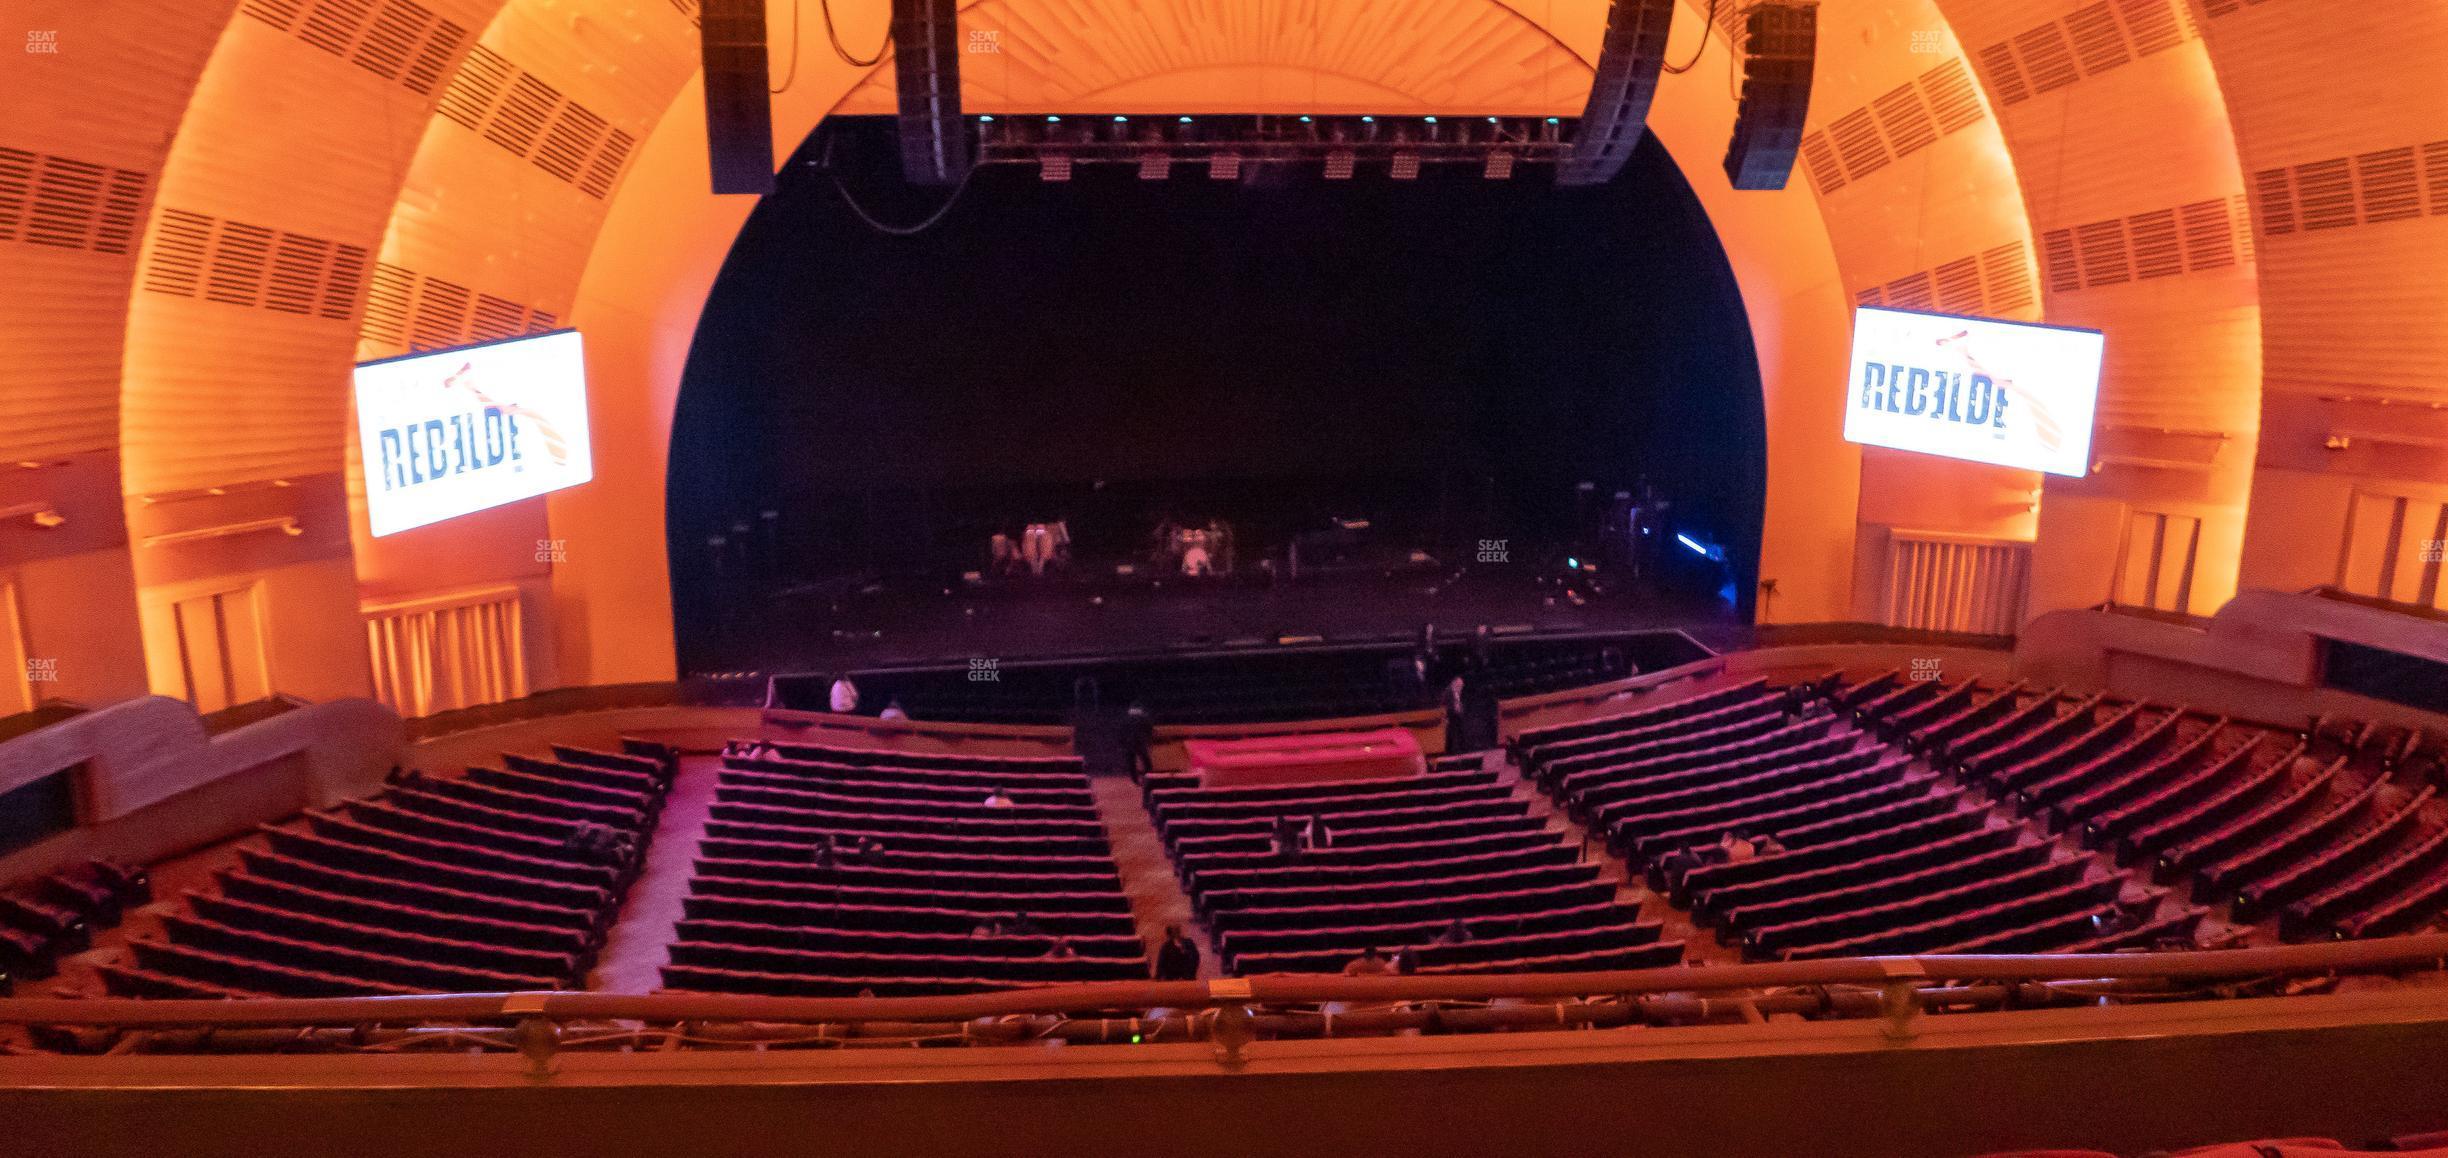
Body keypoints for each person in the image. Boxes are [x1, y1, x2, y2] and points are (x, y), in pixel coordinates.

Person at [1124, 701, 1156, 782]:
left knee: (1131, 763)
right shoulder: (1143, 718)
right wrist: (1149, 739)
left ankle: (1135, 779)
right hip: (1140, 742)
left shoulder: (1126, 719)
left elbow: (1121, 731)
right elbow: (1149, 729)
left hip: (1128, 743)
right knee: (1146, 762)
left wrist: (1122, 742)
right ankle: (1148, 778)